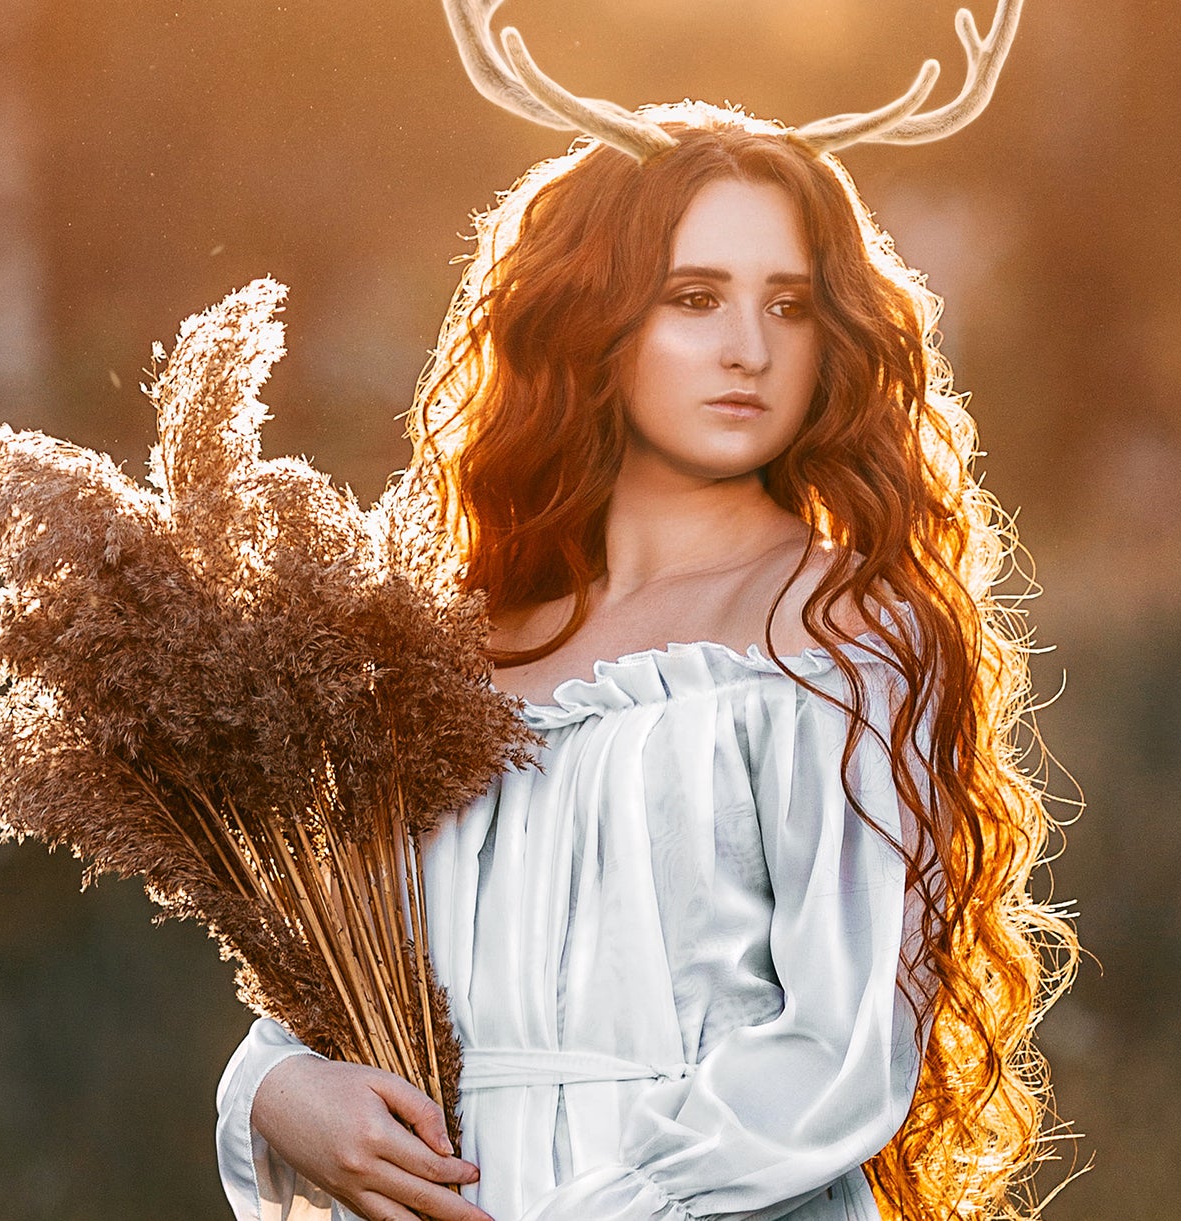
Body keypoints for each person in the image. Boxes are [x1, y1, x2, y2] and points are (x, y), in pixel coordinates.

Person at [216, 7, 1066, 1220]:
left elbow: (839, 1045)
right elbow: (338, 989)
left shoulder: (845, 629)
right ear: (594, 320)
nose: (748, 350)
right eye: (694, 296)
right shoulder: (444, 640)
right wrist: (274, 1090)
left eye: (788, 304)